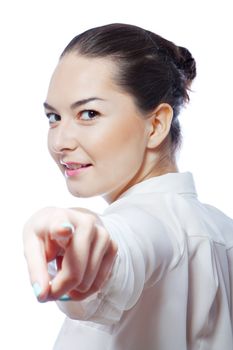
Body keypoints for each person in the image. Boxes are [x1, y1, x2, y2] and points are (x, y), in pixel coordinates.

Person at [23, 23, 233, 350]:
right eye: (54, 117)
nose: (60, 142)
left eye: (89, 113)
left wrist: (82, 236)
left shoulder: (143, 226)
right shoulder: (224, 233)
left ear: (156, 125)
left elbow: (132, 244)